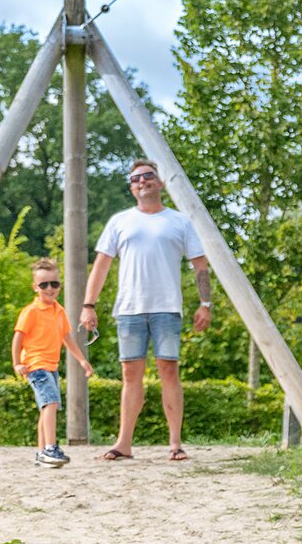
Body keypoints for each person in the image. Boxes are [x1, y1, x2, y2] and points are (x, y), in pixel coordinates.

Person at [79, 159, 211, 462]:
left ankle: (175, 443)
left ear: (160, 183)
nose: (142, 181)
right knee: (130, 374)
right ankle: (124, 443)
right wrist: (89, 305)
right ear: (131, 187)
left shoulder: (179, 221)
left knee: (169, 371)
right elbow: (101, 266)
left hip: (167, 308)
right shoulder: (120, 221)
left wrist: (206, 304)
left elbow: (200, 266)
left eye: (148, 176)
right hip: (129, 309)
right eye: (136, 178)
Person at [13, 257, 95, 468]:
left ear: (59, 284)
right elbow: (18, 339)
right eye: (44, 285)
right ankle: (51, 448)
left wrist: (82, 361)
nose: (49, 289)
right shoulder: (30, 312)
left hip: (52, 367)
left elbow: (67, 339)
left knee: (46, 407)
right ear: (35, 287)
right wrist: (16, 363)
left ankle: (42, 453)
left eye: (54, 284)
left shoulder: (59, 311)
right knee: (51, 403)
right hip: (35, 365)